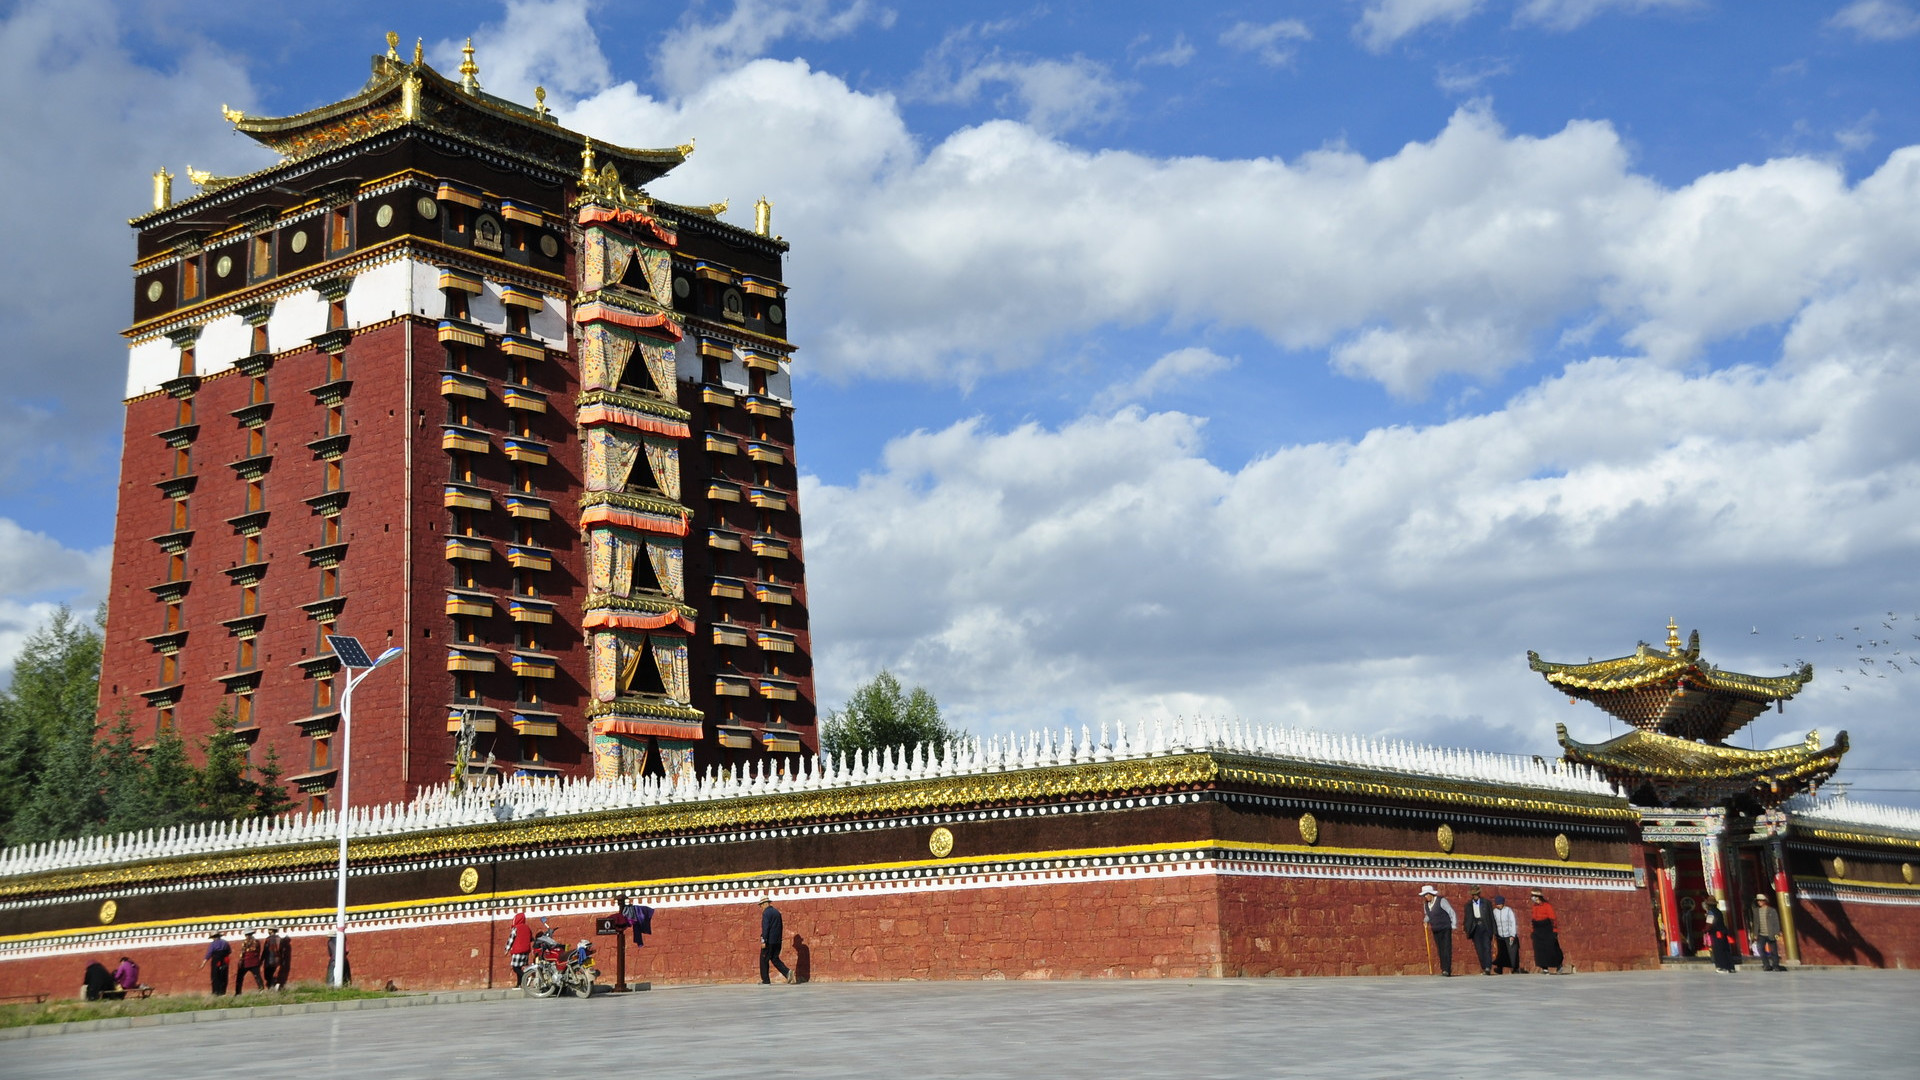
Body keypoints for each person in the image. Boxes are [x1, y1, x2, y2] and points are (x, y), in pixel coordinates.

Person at [1419, 885, 1455, 976]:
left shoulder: (1441, 901)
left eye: (1427, 895)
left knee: (1446, 948)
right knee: (1440, 949)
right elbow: (1428, 915)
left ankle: (1447, 969)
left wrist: (1453, 924)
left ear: (1431, 894)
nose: (1426, 897)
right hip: (1436, 929)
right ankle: (1443, 969)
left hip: (1445, 927)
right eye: (1424, 895)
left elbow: (1451, 911)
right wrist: (1425, 921)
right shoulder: (1426, 905)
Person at [758, 896, 793, 984]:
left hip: (769, 941)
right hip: (777, 941)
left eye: (761, 905)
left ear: (765, 904)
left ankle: (765, 980)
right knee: (774, 958)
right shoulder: (777, 912)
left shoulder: (766, 913)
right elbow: (780, 927)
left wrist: (763, 941)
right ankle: (787, 972)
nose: (761, 907)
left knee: (763, 959)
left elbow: (765, 928)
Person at [1462, 885, 1495, 975]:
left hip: (1485, 926)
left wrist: (1493, 930)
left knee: (1487, 947)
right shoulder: (1468, 905)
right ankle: (1484, 967)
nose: (1475, 896)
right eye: (1473, 895)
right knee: (1479, 949)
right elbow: (1467, 918)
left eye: (1476, 894)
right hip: (1475, 927)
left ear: (1479, 894)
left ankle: (1488, 967)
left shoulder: (1486, 903)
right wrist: (1466, 928)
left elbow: (1491, 917)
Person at [1529, 890, 1565, 974]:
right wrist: (1533, 931)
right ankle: (1544, 967)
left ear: (1538, 897)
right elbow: (1533, 919)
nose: (1532, 898)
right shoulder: (1534, 906)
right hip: (1538, 930)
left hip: (1547, 928)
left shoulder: (1547, 906)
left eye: (1534, 896)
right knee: (1539, 949)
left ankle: (1558, 965)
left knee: (1551, 948)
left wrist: (1554, 930)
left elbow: (1553, 918)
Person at [1702, 899, 1737, 973]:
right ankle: (1730, 967)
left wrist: (1705, 930)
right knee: (1726, 950)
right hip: (1723, 932)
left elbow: (1709, 924)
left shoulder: (1711, 913)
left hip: (1716, 934)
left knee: (1718, 951)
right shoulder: (1718, 912)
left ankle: (1722, 967)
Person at [1752, 895, 1784, 972]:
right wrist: (1755, 934)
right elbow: (1756, 923)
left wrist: (1777, 933)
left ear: (1765, 901)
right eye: (1758, 901)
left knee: (1773, 950)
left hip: (1771, 933)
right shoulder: (1756, 911)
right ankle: (1766, 965)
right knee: (1760, 949)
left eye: (1760, 900)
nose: (1759, 902)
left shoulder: (1772, 910)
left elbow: (1776, 922)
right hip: (1761, 934)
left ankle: (1775, 965)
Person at [1492, 895, 1522, 973]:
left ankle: (1514, 968)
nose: (1498, 905)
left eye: (1499, 904)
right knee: (1501, 953)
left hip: (1509, 935)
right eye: (1497, 904)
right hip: (1500, 935)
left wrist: (1512, 934)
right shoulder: (1494, 911)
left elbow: (1512, 922)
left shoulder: (1508, 910)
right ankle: (1500, 968)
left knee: (1512, 953)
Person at [234, 930, 266, 994]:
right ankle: (261, 990)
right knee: (257, 976)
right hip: (255, 962)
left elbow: (242, 952)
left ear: (246, 935)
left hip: (245, 963)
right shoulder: (256, 942)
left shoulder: (245, 942)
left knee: (240, 978)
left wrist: (241, 960)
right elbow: (258, 951)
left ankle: (238, 992)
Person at [507, 911, 532, 983]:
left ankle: (526, 977)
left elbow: (511, 939)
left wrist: (507, 949)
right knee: (519, 967)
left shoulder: (516, 928)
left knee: (515, 968)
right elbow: (530, 938)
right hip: (526, 951)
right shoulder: (527, 928)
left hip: (517, 951)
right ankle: (519, 984)